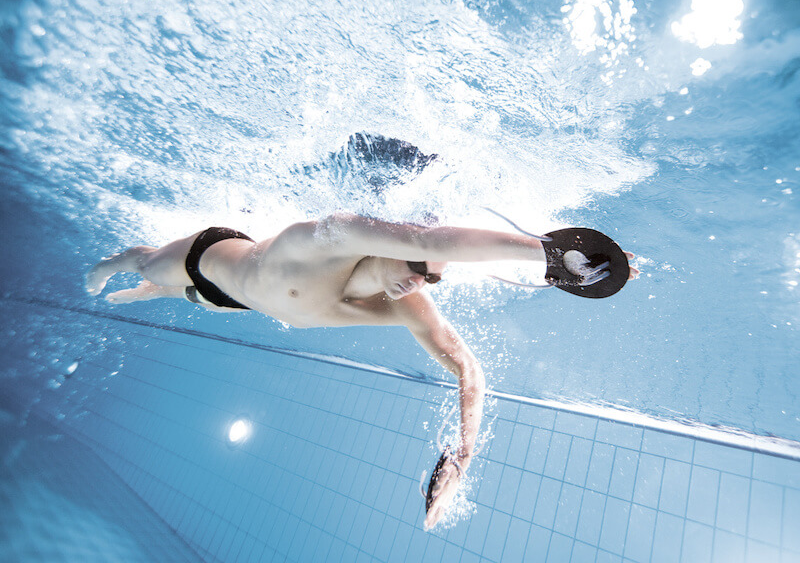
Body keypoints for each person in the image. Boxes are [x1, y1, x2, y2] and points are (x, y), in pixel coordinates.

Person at [85, 213, 639, 529]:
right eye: (416, 265)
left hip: (235, 301)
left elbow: (469, 370)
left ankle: (153, 290)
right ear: (395, 242)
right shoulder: (322, 237)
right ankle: (124, 265)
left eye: (429, 278)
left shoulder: (405, 303)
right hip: (210, 258)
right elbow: (428, 241)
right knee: (148, 265)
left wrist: (463, 457)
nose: (420, 281)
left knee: (182, 297)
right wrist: (543, 253)